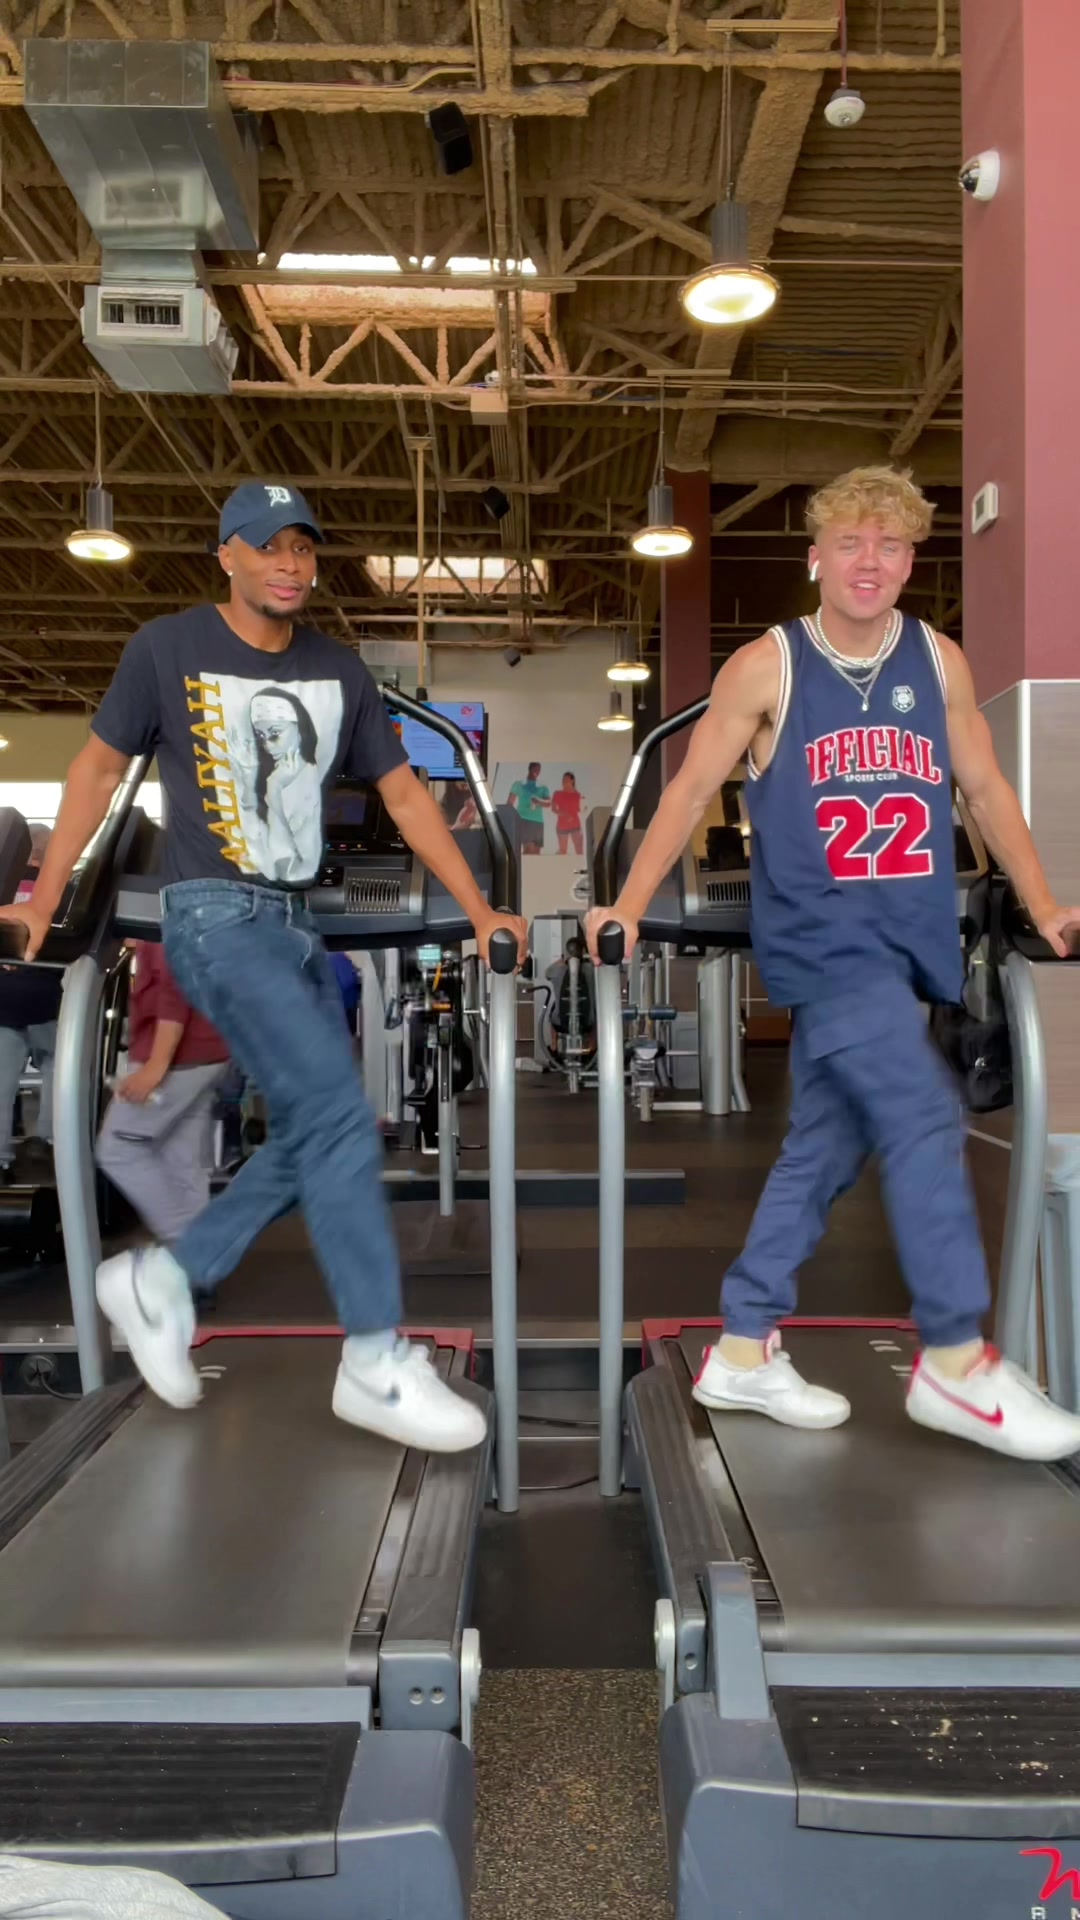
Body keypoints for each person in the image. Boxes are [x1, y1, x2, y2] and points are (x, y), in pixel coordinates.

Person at [0, 479, 527, 1454]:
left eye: (303, 548)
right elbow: (97, 770)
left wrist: (482, 905)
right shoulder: (167, 648)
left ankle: (163, 1278)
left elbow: (406, 796)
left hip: (294, 924)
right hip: (213, 914)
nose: (289, 564)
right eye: (268, 545)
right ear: (228, 556)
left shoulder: (339, 669)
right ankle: (374, 1357)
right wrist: (44, 899)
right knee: (337, 1118)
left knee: (321, 1129)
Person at [586, 464, 1080, 1463]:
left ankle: (742, 1345)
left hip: (908, 950)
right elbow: (687, 795)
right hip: (824, 944)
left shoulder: (936, 660)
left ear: (910, 562)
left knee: (826, 1148)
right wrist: (627, 907)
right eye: (851, 542)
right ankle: (956, 1362)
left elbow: (986, 791)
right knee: (924, 1116)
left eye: (890, 546)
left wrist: (1045, 905)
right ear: (815, 558)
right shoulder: (766, 666)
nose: (870, 561)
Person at [96, 941, 230, 1247]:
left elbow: (177, 989)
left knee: (118, 1149)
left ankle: (187, 1245)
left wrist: (156, 1065)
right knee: (182, 1158)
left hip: (179, 1058)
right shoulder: (177, 925)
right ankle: (201, 1256)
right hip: (207, 1052)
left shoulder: (158, 924)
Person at [0, 825, 60, 1180]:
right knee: (56, 1066)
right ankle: (47, 1142)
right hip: (44, 997)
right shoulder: (61, 890)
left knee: (0, 1081)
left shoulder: (4, 884)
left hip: (3, 999)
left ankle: (1, 1158)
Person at [508, 762, 550, 854]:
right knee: (529, 850)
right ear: (530, 769)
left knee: (536, 853)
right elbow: (509, 804)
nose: (537, 771)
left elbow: (548, 803)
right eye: (535, 769)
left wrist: (538, 801)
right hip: (524, 819)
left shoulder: (543, 788)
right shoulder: (518, 784)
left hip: (538, 821)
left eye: (538, 770)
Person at [550, 771, 586, 856]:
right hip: (562, 826)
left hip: (575, 825)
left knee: (579, 851)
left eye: (566, 779)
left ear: (572, 781)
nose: (564, 781)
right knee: (563, 852)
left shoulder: (578, 795)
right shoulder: (557, 794)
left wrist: (584, 806)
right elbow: (554, 809)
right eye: (563, 780)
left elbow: (580, 809)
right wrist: (566, 815)